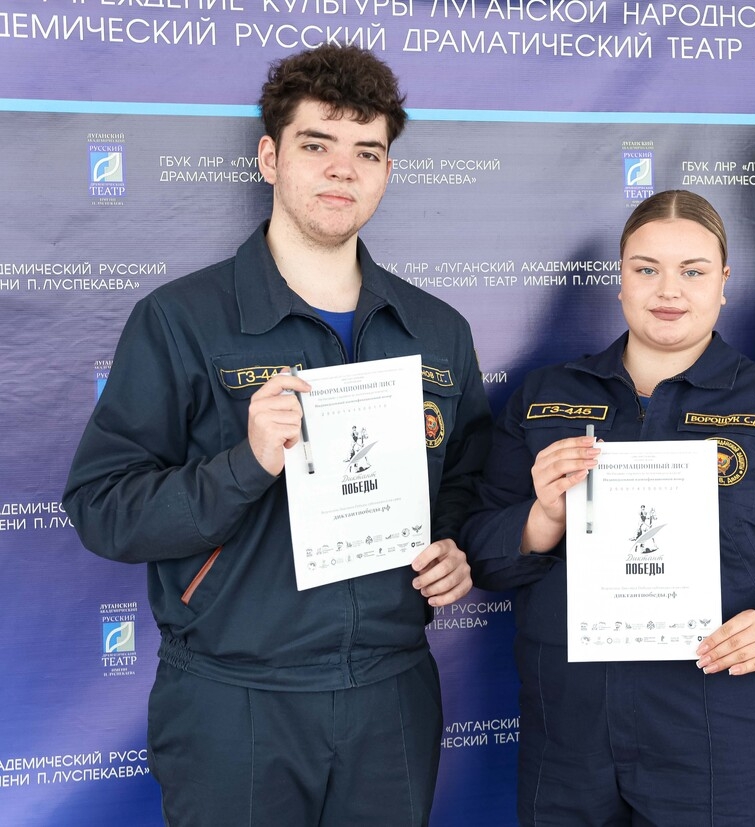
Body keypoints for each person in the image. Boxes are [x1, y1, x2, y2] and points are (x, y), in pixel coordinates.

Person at [63, 44, 491, 826]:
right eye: (316, 144)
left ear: (387, 171)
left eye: (367, 151)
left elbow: (467, 477)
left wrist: (455, 545)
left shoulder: (437, 331)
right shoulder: (182, 321)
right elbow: (102, 506)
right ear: (269, 157)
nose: (343, 169)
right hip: (236, 701)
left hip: (390, 694)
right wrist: (245, 463)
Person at [461, 189, 755, 825]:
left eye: (693, 271)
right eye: (647, 268)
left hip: (728, 730)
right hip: (572, 735)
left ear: (724, 283)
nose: (668, 290)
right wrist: (543, 518)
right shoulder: (546, 397)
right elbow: (485, 553)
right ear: (620, 279)